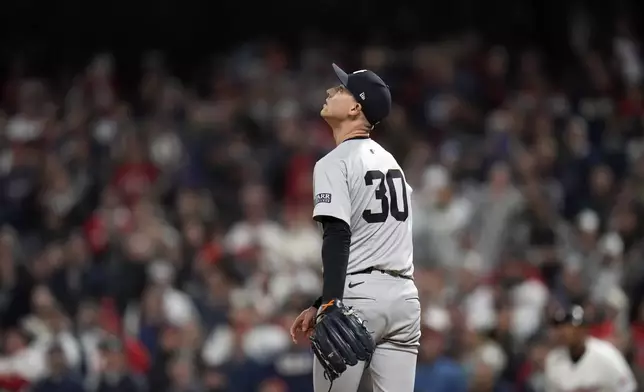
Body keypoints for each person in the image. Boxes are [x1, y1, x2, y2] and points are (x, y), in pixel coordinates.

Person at [290, 63, 420, 392]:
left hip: (358, 299)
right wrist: (323, 301)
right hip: (404, 300)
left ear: (354, 107)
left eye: (342, 89)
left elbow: (337, 235)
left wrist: (332, 302)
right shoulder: (394, 165)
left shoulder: (335, 162)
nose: (331, 91)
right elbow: (374, 243)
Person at [545, 305, 636, 391]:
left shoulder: (606, 354)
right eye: (560, 327)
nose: (563, 331)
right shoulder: (553, 359)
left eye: (569, 327)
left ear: (583, 329)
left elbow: (628, 388)